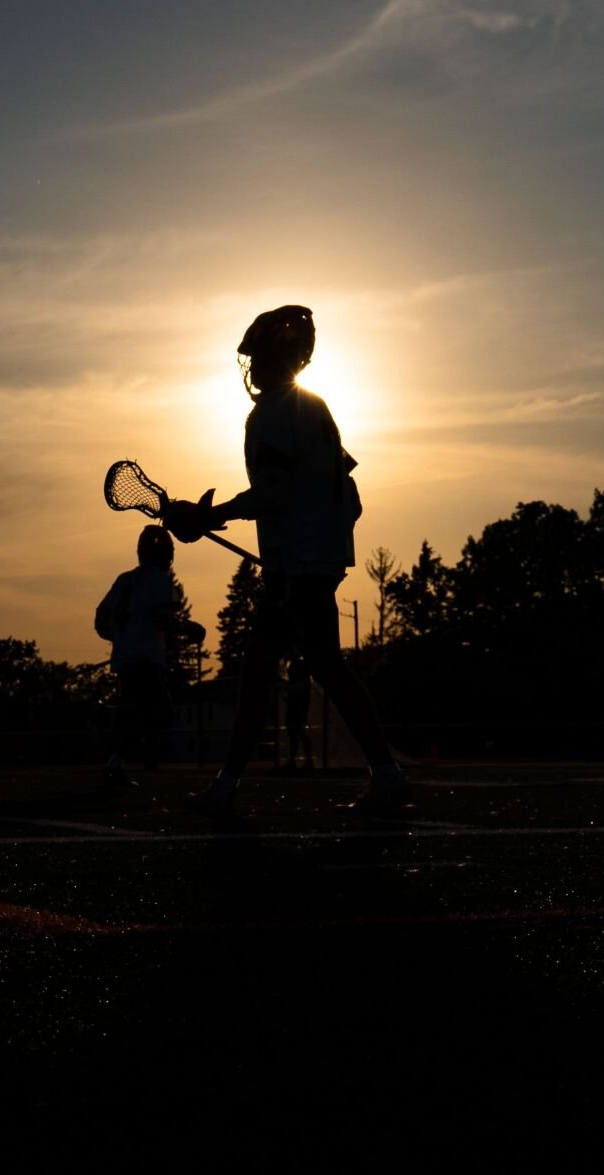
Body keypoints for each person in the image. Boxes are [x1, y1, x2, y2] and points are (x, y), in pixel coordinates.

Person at [164, 305, 407, 817]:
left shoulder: (270, 414)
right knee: (269, 667)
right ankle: (229, 785)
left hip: (298, 569)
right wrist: (320, 545)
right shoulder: (317, 408)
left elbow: (271, 494)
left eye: (258, 357)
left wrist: (211, 517)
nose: (252, 369)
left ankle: (385, 774)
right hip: (306, 564)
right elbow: (351, 496)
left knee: (317, 666)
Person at [94, 525, 205, 789]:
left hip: (126, 658)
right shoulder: (159, 580)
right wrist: (187, 628)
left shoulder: (124, 580)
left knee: (137, 710)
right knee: (157, 711)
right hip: (144, 658)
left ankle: (123, 760)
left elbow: (101, 618)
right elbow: (161, 617)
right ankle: (124, 759)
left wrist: (120, 637)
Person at [282, 654, 313, 771]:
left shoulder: (300, 665)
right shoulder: (292, 664)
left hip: (299, 705)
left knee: (300, 731)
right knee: (293, 733)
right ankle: (292, 761)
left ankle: (308, 761)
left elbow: (301, 685)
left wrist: (285, 686)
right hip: (293, 704)